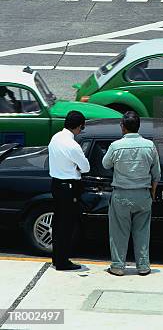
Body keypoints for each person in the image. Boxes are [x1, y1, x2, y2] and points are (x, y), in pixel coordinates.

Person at [102, 111, 161, 277]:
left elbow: (105, 164)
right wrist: (152, 194)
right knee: (142, 232)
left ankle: (118, 266)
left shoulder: (116, 146)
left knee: (119, 232)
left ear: (123, 127)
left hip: (121, 195)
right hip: (143, 195)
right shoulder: (150, 146)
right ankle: (143, 266)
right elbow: (156, 175)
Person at [48, 111, 89, 271]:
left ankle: (56, 258)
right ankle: (63, 261)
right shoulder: (73, 146)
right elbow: (86, 167)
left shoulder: (55, 138)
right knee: (66, 225)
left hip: (56, 185)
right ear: (79, 127)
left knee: (58, 224)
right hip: (68, 188)